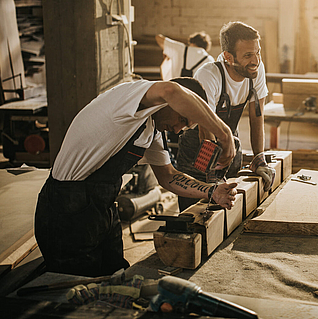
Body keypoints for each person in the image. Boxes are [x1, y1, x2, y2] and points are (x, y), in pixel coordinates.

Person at [34, 78, 238, 277]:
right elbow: (172, 91)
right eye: (182, 120)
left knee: (118, 277)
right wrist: (224, 133)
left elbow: (168, 176)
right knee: (74, 291)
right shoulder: (128, 99)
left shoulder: (152, 130)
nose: (177, 130)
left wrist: (213, 191)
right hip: (67, 212)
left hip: (102, 209)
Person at [175, 21, 274, 211]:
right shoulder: (209, 75)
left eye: (258, 52)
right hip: (199, 151)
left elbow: (257, 116)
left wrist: (259, 157)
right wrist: (212, 175)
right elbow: (206, 130)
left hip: (229, 148)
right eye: (247, 55)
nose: (255, 60)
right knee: (196, 216)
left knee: (231, 214)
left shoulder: (256, 70)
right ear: (228, 57)